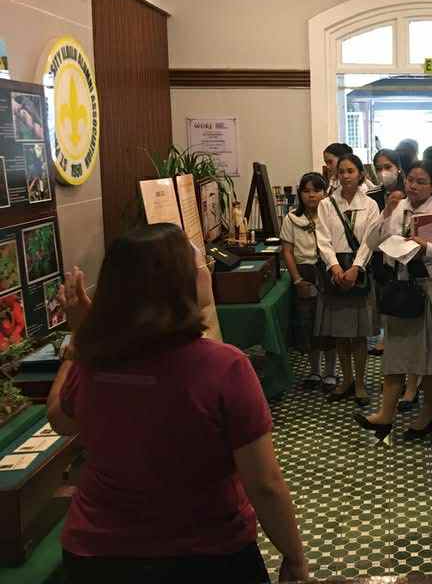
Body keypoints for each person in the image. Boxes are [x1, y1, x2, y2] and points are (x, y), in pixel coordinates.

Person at [46, 226, 307, 583]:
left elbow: (60, 419)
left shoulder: (98, 360)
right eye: (201, 264)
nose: (208, 271)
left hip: (98, 553)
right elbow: (264, 484)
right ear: (178, 284)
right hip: (207, 554)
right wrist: (294, 556)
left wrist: (82, 339)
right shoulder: (224, 366)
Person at [356, 160, 432, 440]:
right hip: (400, 290)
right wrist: (385, 213)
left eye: (421, 182)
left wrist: (429, 248)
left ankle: (427, 414)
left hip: (430, 292)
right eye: (410, 180)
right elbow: (372, 243)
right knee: (395, 354)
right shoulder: (396, 209)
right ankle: (385, 414)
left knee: (428, 360)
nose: (413, 186)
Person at [315, 154, 381, 406]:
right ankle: (346, 380)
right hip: (335, 271)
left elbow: (370, 240)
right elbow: (322, 238)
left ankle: (361, 383)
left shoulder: (370, 205)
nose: (345, 175)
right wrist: (333, 266)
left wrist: (355, 268)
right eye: (341, 171)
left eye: (350, 171)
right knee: (341, 334)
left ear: (360, 174)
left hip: (359, 271)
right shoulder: (326, 204)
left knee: (359, 334)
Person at [280, 171, 338, 391]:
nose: (311, 195)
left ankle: (331, 372)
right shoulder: (292, 218)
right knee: (309, 325)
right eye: (306, 191)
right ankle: (315, 371)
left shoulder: (331, 216)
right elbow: (287, 251)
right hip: (305, 273)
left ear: (325, 193)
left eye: (316, 190)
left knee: (329, 326)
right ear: (300, 193)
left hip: (328, 272)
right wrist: (297, 279)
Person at [367, 149, 406, 358]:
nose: (383, 172)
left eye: (388, 167)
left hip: (404, 256)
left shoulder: (409, 192)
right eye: (379, 168)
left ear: (398, 168)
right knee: (385, 299)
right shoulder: (372, 196)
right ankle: (386, 339)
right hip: (379, 255)